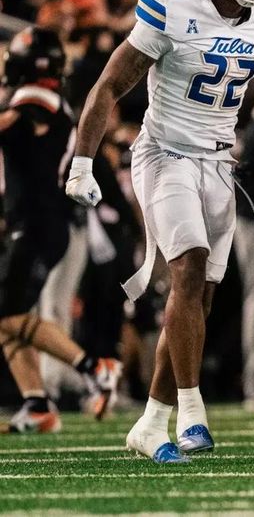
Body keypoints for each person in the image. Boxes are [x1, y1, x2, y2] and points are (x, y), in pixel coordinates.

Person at [66, 0, 254, 463]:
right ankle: (193, 413)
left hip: (219, 164)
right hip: (164, 153)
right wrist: (82, 163)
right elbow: (107, 87)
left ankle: (151, 422)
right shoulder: (173, 3)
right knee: (188, 270)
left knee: (198, 298)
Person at [0, 27, 122, 433]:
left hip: (39, 224)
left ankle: (94, 368)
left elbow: (11, 125)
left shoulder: (37, 100)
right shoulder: (48, 100)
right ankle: (37, 404)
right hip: (35, 222)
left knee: (10, 317)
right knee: (9, 319)